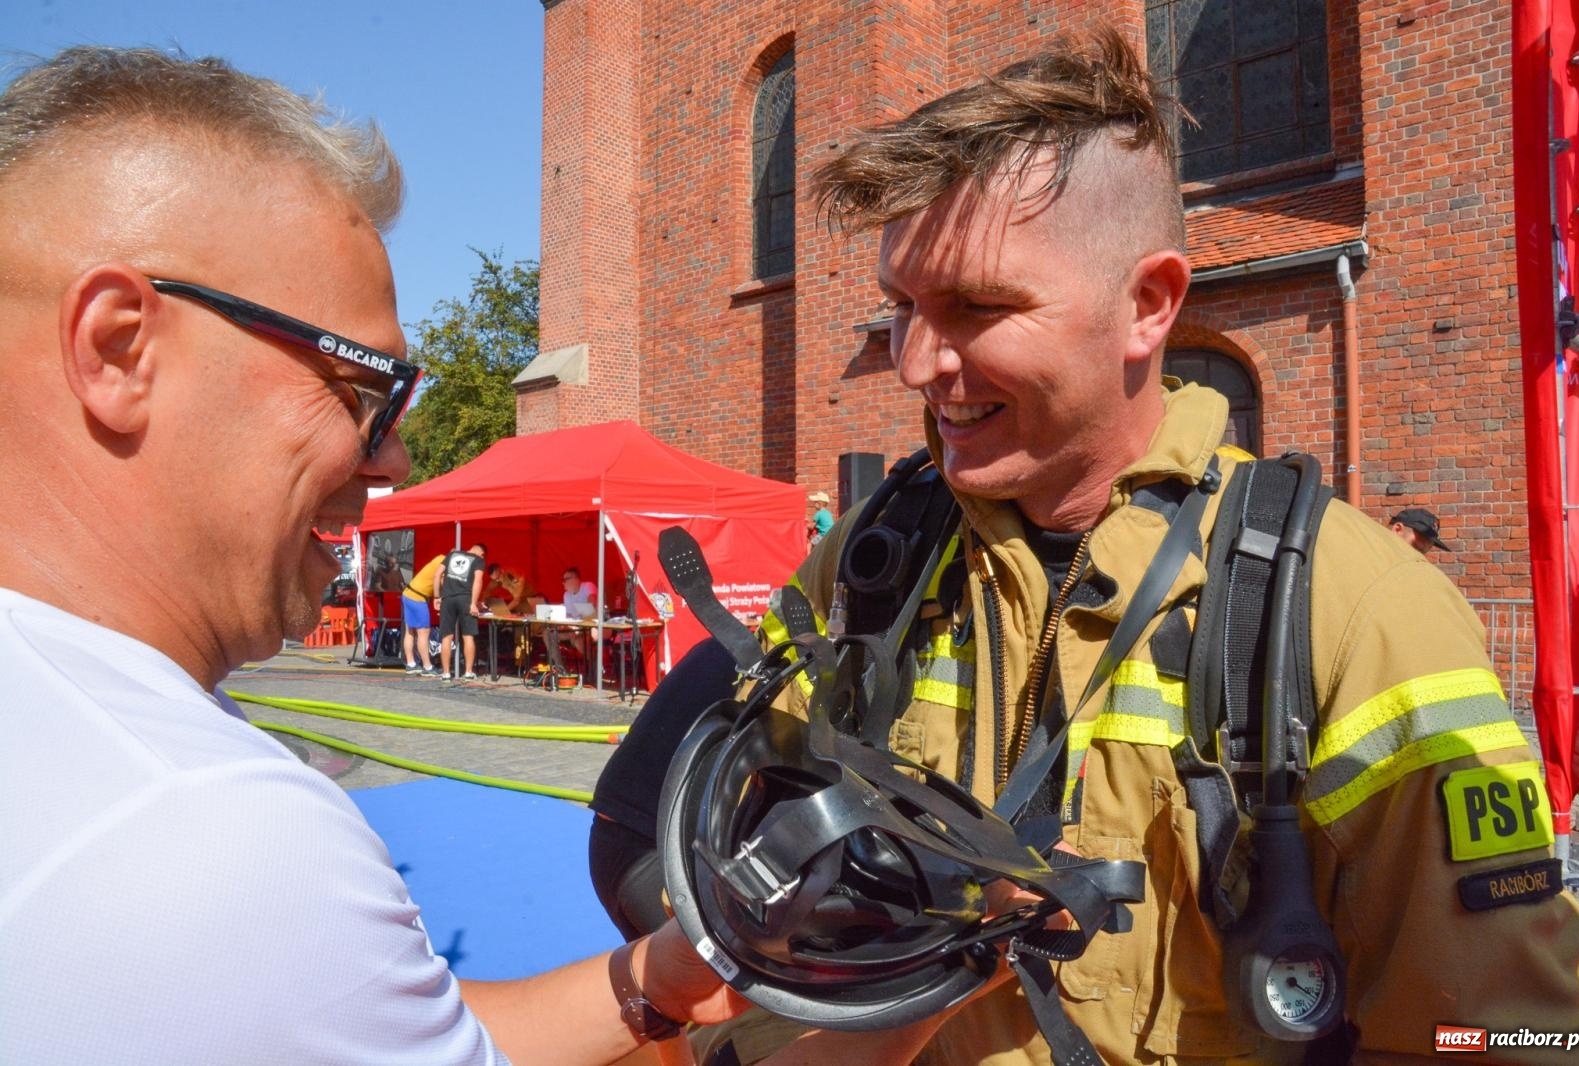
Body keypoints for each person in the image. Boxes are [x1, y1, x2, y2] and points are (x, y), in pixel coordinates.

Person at [0, 46, 1009, 1066]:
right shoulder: (210, 830)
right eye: (365, 390)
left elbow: (393, 1027)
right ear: (119, 347)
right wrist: (931, 985)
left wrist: (652, 978)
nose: (391, 455)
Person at [682, 28, 1579, 1064]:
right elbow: (752, 893)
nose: (918, 363)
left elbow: (1511, 1035)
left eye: (978, 307)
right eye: (901, 309)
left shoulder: (1356, 612)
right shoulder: (868, 566)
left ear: (1150, 305)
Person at [436, 543, 487, 681]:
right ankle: (468, 672)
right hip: (465, 598)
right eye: (483, 555)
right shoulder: (478, 560)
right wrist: (473, 603)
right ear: (480, 552)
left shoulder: (452, 555)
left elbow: (438, 574)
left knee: (446, 636)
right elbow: (478, 581)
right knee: (468, 636)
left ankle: (446, 673)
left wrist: (437, 596)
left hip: (447, 598)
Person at [545, 565, 598, 674]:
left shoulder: (588, 586)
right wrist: (565, 625)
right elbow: (568, 616)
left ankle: (595, 667)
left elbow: (591, 605)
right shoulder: (566, 595)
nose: (563, 583)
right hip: (573, 629)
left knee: (579, 640)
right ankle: (561, 668)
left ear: (575, 579)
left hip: (592, 627)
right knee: (548, 633)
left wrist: (577, 626)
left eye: (565, 580)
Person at [400, 550, 446, 674]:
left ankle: (410, 664)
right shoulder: (444, 562)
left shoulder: (439, 557)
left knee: (410, 631)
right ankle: (427, 666)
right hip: (418, 597)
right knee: (423, 632)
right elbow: (439, 580)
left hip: (408, 593)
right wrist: (437, 597)